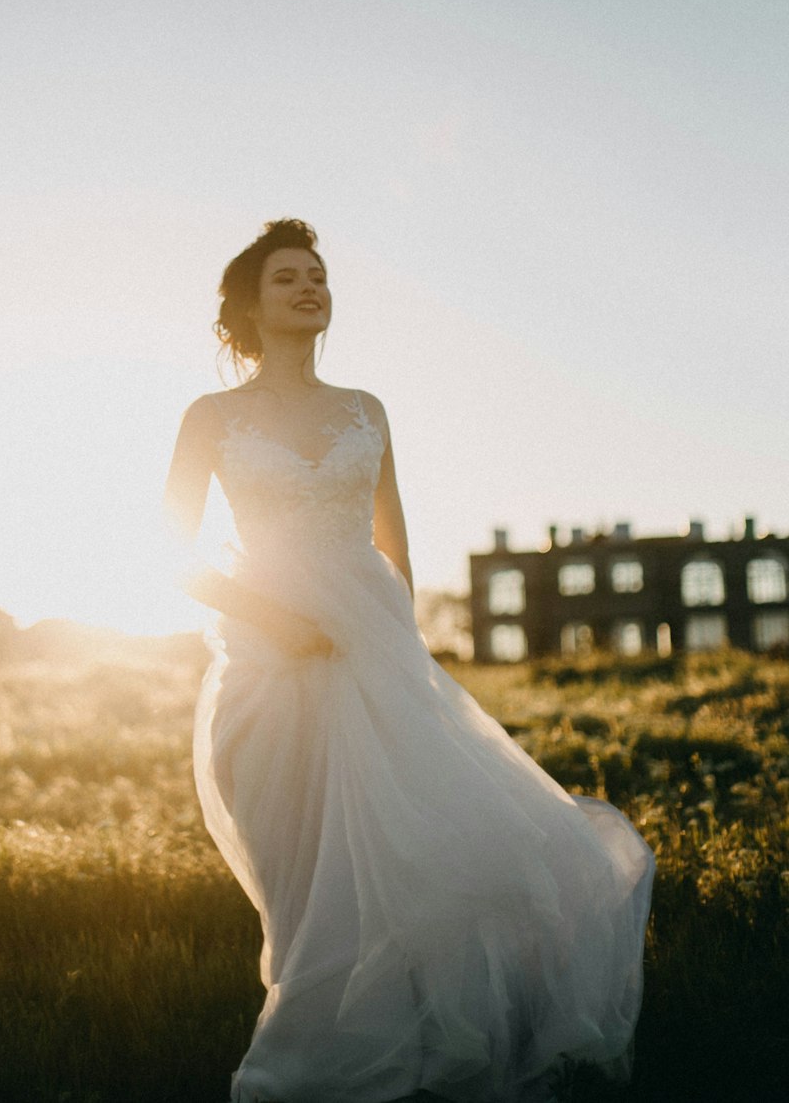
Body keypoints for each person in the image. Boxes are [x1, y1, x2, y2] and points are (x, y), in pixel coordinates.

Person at [164, 218, 654, 1103]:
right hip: (267, 674)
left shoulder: (366, 409)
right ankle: (315, 1054)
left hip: (376, 664)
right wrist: (279, 620)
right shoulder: (212, 418)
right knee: (306, 893)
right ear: (250, 304)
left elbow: (396, 550)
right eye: (287, 278)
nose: (310, 288)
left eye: (318, 276)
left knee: (439, 861)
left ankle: (427, 1051)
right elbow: (170, 554)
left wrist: (402, 656)